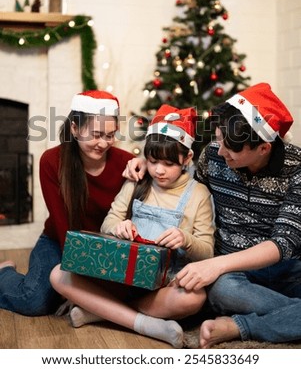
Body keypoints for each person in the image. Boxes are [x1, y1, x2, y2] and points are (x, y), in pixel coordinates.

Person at [125, 83, 301, 347]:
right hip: (234, 278)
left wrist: (215, 265)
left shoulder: (297, 167)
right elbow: (187, 193)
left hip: (289, 271)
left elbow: (283, 244)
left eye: (230, 148)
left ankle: (240, 325)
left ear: (263, 148)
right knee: (220, 289)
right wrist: (147, 165)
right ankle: (289, 316)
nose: (220, 151)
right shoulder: (212, 156)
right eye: (218, 139)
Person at [50, 104, 215, 348]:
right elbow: (109, 222)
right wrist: (118, 227)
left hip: (164, 284)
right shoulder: (138, 181)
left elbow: (208, 253)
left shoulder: (198, 194)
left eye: (168, 164)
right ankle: (145, 323)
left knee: (194, 298)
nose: (158, 170)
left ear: (187, 158)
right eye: (152, 161)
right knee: (58, 274)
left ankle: (102, 312)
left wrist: (186, 239)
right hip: (122, 274)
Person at [0, 90, 134, 316]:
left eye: (110, 135)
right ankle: (5, 273)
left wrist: (143, 163)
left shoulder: (127, 162)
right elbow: (65, 227)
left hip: (109, 246)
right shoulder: (52, 161)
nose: (103, 143)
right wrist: (76, 285)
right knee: (34, 301)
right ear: (74, 128)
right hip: (59, 241)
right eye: (96, 134)